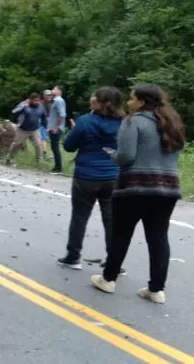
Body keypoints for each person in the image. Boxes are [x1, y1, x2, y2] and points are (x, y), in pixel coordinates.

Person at [90, 85, 186, 304]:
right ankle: (156, 289)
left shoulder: (133, 122)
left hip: (135, 187)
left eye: (132, 99)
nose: (128, 103)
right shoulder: (172, 122)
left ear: (142, 101)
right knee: (158, 237)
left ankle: (108, 279)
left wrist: (113, 154)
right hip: (168, 189)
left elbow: (126, 156)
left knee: (121, 234)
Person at [57, 87, 125, 272]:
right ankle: (114, 261)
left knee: (80, 217)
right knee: (111, 219)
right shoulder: (124, 123)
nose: (90, 98)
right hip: (113, 175)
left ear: (99, 101)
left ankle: (73, 256)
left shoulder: (85, 121)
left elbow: (69, 146)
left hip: (86, 175)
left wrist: (75, 131)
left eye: (94, 96)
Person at [6, 93, 47, 164]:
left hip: (34, 129)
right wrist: (23, 107)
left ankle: (39, 159)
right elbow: (14, 112)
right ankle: (9, 158)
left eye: (38, 100)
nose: (37, 102)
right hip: (23, 129)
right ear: (30, 100)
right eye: (35, 100)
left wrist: (45, 126)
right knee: (17, 144)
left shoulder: (41, 106)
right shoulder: (24, 105)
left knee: (38, 144)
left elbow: (44, 116)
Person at [48, 86, 68, 173]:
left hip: (56, 128)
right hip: (54, 127)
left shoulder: (58, 100)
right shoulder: (55, 100)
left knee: (55, 147)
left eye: (55, 89)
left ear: (59, 91)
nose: (52, 90)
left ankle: (58, 168)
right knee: (53, 147)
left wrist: (56, 126)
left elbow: (62, 114)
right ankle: (56, 166)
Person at [40, 90, 53, 160]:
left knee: (48, 139)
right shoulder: (41, 103)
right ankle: (43, 154)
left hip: (49, 124)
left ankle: (47, 154)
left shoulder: (52, 104)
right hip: (41, 124)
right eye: (47, 95)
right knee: (43, 139)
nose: (49, 96)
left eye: (50, 95)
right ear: (44, 96)